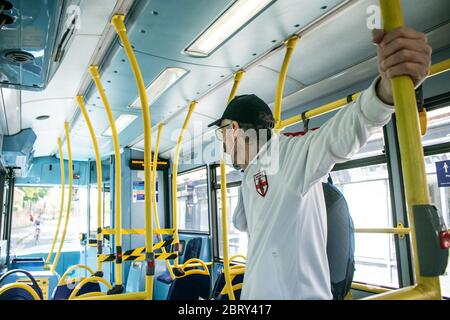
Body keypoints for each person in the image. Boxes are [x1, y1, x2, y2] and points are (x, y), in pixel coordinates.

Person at [208, 27, 432, 300]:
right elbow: (244, 222)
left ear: (234, 129)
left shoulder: (290, 154)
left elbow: (338, 136)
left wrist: (384, 92)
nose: (223, 145)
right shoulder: (251, 171)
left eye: (222, 134)